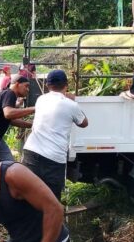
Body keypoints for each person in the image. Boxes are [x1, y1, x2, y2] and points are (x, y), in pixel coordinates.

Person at [23, 70, 88, 199]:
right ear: (66, 85)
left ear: (48, 85)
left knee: (29, 195)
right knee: (51, 200)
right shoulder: (71, 105)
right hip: (53, 158)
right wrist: (72, 99)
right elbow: (84, 123)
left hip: (31, 152)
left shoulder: (40, 99)